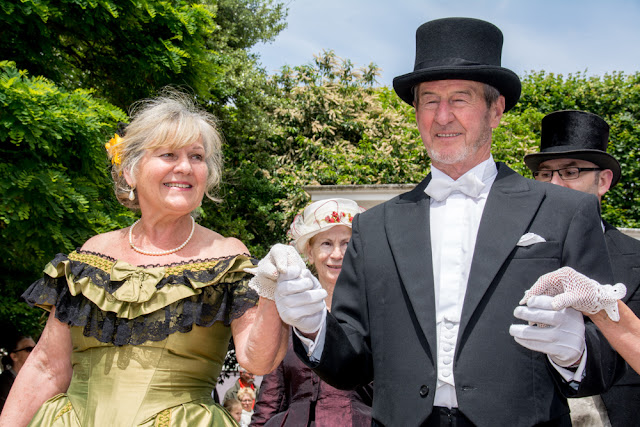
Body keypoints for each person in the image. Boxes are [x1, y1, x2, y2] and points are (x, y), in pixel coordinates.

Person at [252, 17, 625, 426]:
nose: (442, 116)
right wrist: (313, 327)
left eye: (460, 99)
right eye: (430, 101)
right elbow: (354, 365)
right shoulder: (375, 227)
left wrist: (576, 352)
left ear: (496, 110)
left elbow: (609, 357)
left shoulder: (565, 211)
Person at [0, 89, 288, 426]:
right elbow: (47, 366)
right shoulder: (91, 254)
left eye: (196, 156)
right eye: (169, 154)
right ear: (130, 171)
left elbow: (258, 361)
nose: (185, 167)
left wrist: (271, 289)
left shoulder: (227, 256)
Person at [524, 110, 640, 427]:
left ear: (603, 181)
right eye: (544, 174)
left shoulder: (637, 258)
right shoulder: (508, 257)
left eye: (570, 171)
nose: (554, 184)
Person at [250, 199, 373, 427]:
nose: (337, 254)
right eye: (326, 243)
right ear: (310, 252)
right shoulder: (290, 314)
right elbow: (270, 399)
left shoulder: (376, 316)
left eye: (346, 243)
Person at [0, 330, 36, 413]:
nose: (35, 352)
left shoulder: (36, 381)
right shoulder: (3, 385)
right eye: (29, 349)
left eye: (36, 348)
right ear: (14, 356)